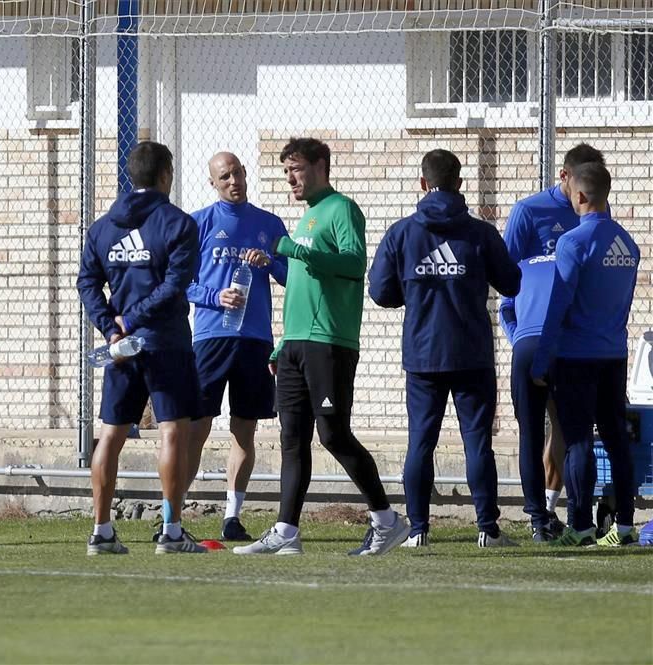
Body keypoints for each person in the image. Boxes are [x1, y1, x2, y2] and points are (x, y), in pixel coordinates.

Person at [234, 137, 409, 556]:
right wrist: (282, 345)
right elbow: (301, 289)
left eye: (295, 169)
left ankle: (387, 521)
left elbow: (353, 265)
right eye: (285, 172)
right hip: (295, 346)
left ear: (319, 166)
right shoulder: (307, 218)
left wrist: (293, 251)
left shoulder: (341, 209)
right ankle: (286, 532)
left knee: (333, 433)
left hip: (328, 343)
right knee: (292, 438)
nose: (290, 179)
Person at [369, 149, 522, 548]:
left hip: (423, 355)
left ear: (423, 183)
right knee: (477, 440)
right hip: (471, 352)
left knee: (421, 440)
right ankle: (487, 529)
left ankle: (418, 529)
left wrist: (417, 289)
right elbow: (512, 283)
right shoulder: (481, 233)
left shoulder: (402, 233)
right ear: (460, 183)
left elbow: (380, 292)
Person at [77, 141, 207, 555]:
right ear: (166, 175)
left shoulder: (101, 227)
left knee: (110, 436)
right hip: (164, 341)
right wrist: (128, 323)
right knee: (173, 431)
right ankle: (171, 531)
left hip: (121, 347)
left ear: (131, 175)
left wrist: (109, 326)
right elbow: (174, 285)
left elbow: (86, 282)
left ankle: (101, 531)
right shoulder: (178, 223)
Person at [530, 161, 641, 547]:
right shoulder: (628, 244)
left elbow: (559, 305)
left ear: (578, 195)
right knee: (615, 438)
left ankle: (580, 526)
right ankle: (625, 526)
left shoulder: (573, 243)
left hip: (577, 355)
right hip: (614, 354)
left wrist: (541, 359)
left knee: (577, 440)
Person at [183, 152, 288, 542]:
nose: (234, 182)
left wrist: (270, 264)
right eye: (225, 176)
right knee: (197, 428)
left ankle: (232, 516)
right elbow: (180, 282)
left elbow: (293, 275)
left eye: (238, 173)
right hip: (211, 338)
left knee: (245, 430)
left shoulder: (268, 224)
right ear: (213, 182)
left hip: (256, 340)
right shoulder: (198, 223)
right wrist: (214, 296)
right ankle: (172, 516)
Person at [505, 143, 607, 533]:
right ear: (565, 177)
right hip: (533, 338)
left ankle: (556, 510)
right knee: (533, 429)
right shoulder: (529, 212)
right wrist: (517, 333)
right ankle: (538, 517)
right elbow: (508, 278)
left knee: (568, 428)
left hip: (575, 343)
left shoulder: (594, 211)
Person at [499, 254, 563, 541]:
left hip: (525, 349)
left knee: (530, 435)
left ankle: (539, 522)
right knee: (572, 433)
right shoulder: (569, 261)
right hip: (563, 347)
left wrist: (519, 339)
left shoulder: (522, 267)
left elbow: (505, 310)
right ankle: (576, 519)